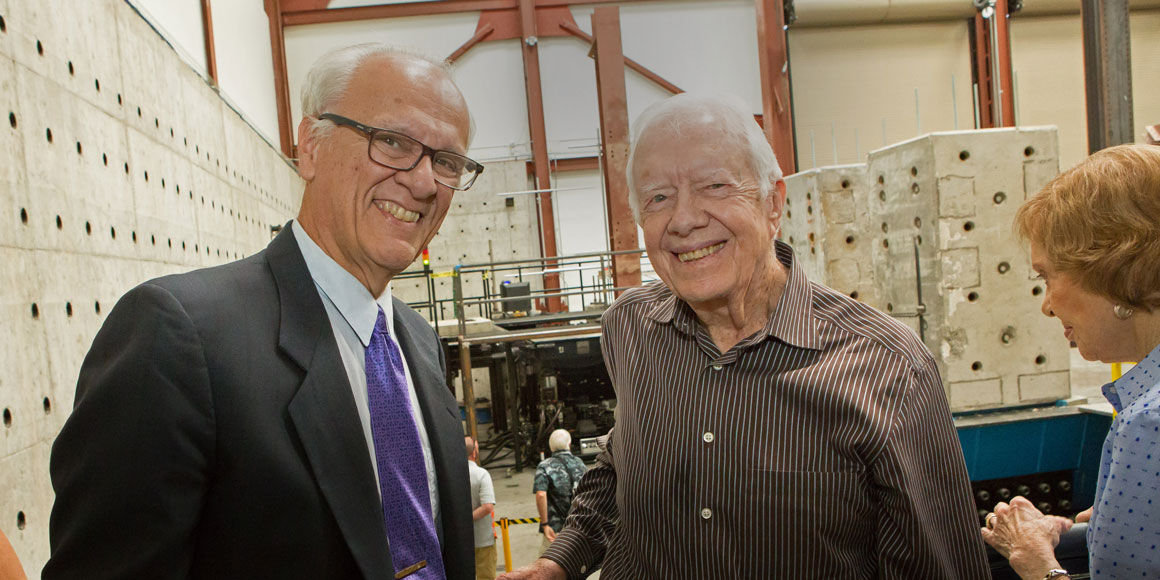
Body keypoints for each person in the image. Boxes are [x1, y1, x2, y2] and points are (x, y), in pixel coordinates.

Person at [499, 93, 988, 579]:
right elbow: (620, 466)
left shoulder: (888, 368)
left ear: (773, 202)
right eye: (658, 198)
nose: (684, 219)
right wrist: (559, 562)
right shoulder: (630, 328)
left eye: (714, 185)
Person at [45, 44, 484, 580]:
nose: (423, 183)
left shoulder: (417, 342)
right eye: (391, 141)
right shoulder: (179, 337)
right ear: (310, 147)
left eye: (447, 161)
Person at [981, 144, 1160, 579]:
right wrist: (1099, 527)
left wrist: (1036, 562)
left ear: (1115, 270)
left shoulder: (1147, 424)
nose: (1047, 306)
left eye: (1047, 277)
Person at [532, 430, 587, 555]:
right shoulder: (580, 463)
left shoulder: (545, 466)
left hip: (555, 529)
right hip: (578, 527)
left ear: (551, 447)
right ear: (569, 444)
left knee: (549, 565)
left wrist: (545, 524)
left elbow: (541, 494)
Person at [467, 437, 498, 580]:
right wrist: (467, 519)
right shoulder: (481, 474)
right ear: (474, 452)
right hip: (483, 539)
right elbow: (487, 506)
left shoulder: (451, 475)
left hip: (460, 540)